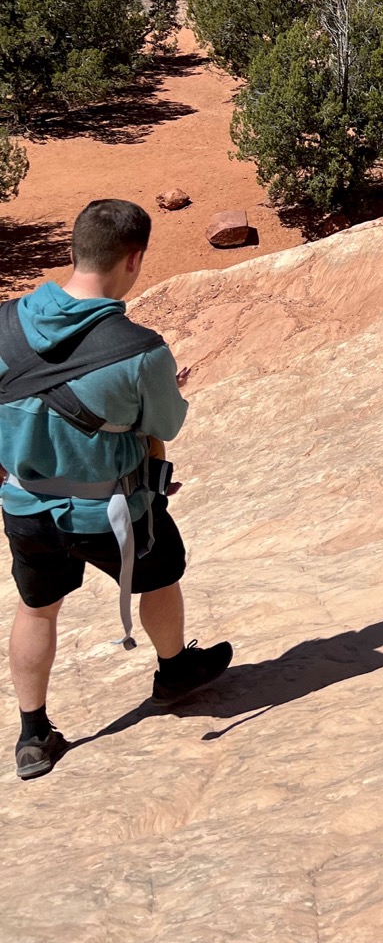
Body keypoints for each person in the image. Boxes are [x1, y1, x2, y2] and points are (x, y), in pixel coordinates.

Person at [0, 200, 232, 781]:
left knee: (36, 609)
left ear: (73, 250)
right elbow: (166, 425)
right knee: (161, 576)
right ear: (135, 259)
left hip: (25, 506)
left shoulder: (3, 324)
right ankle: (174, 671)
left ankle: (33, 734)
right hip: (115, 512)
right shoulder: (139, 348)